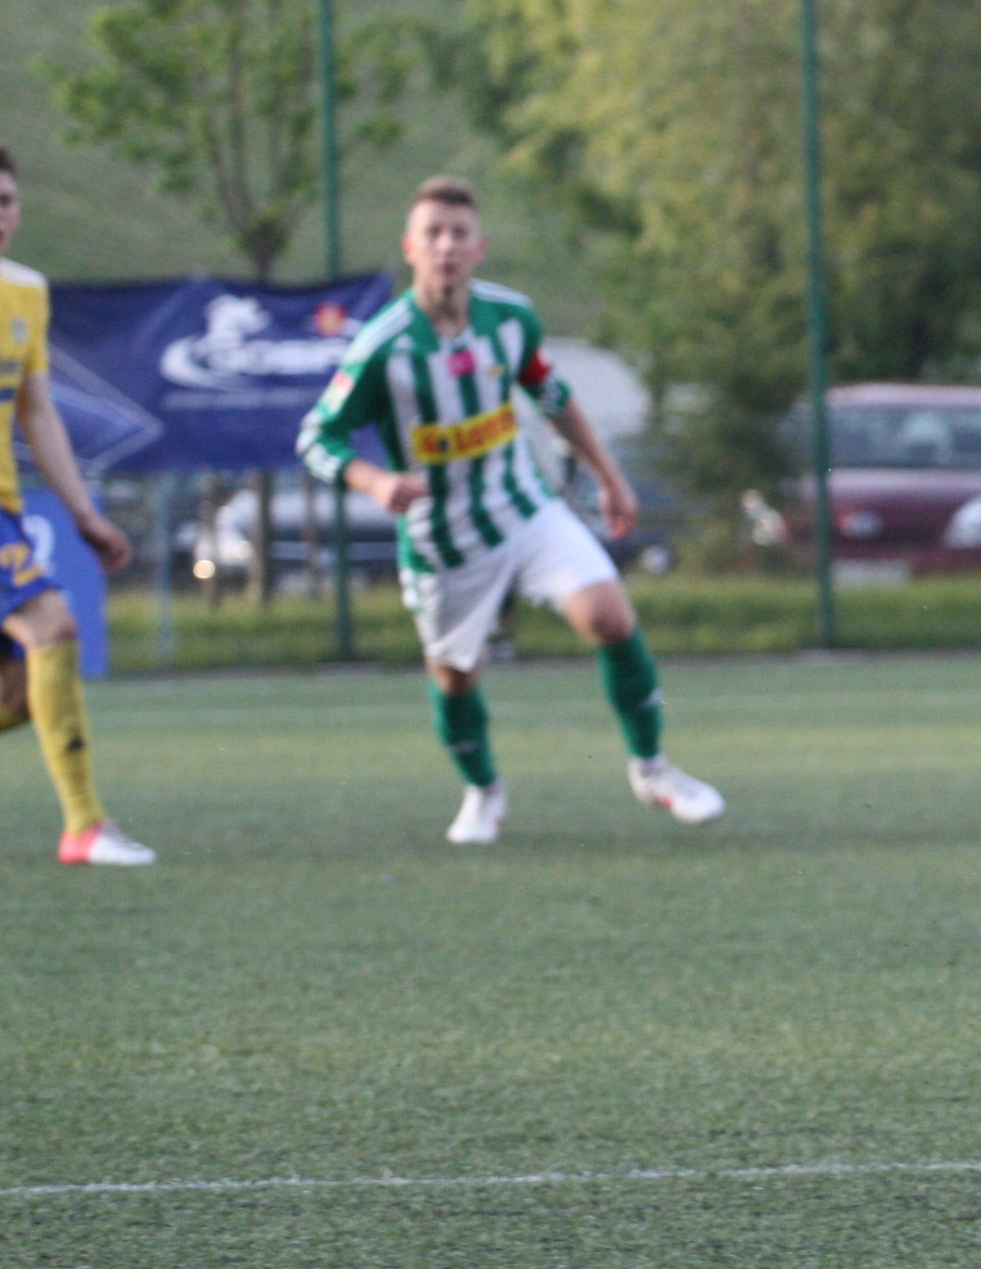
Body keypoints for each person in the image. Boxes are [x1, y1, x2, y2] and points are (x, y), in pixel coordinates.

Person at [298, 178, 723, 846]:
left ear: (479, 248)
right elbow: (317, 437)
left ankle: (653, 769)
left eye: (458, 234)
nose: (446, 246)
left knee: (609, 616)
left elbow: (553, 398)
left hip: (525, 509)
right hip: (443, 540)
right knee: (455, 678)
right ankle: (484, 791)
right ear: (410, 248)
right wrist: (373, 480)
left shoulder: (510, 319)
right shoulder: (383, 345)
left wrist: (609, 477)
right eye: (433, 233)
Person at [0, 149, 153, 866]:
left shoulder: (26, 293)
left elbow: (36, 412)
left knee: (19, 693)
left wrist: (83, 512)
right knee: (52, 625)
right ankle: (84, 826)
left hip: (2, 505)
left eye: (4, 199)